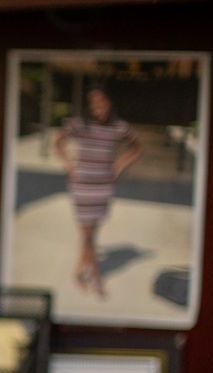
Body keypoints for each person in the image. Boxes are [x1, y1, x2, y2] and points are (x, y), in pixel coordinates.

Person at [54, 87, 142, 298]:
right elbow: (57, 141)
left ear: (110, 103)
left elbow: (137, 147)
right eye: (93, 104)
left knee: (90, 235)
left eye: (101, 103)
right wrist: (68, 164)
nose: (98, 108)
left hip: (103, 187)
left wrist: (120, 166)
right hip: (82, 185)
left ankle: (78, 272)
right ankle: (96, 278)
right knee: (88, 235)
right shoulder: (79, 124)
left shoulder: (119, 128)